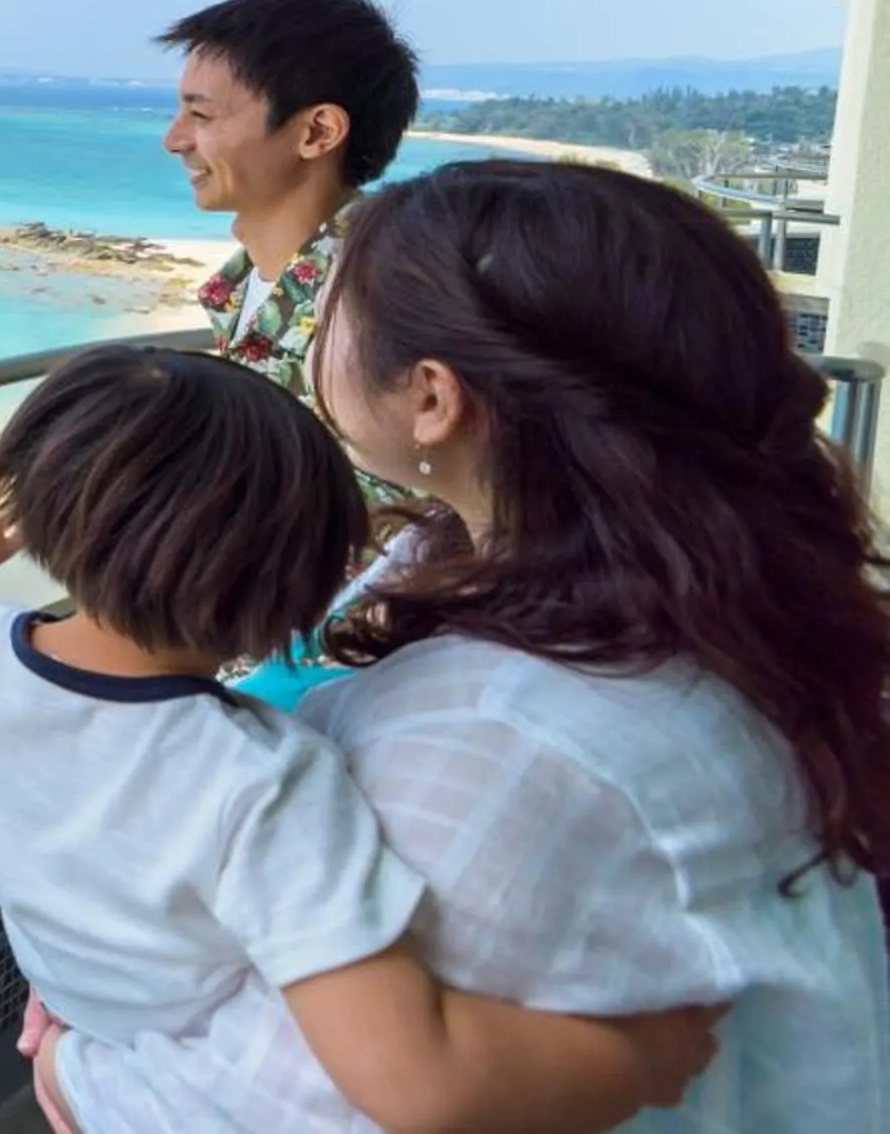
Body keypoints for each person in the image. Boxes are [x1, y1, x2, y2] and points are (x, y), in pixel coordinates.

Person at [44, 161, 890, 1131]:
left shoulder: (512, 743)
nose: (313, 335)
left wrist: (70, 1059)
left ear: (432, 399)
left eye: (334, 313)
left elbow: (281, 1110)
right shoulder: (664, 584)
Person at [0, 344, 717, 1134]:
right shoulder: (257, 782)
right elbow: (412, 1083)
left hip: (81, 1010)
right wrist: (646, 1057)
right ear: (299, 588)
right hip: (176, 1075)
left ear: (48, 504)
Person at [158, 0, 420, 404]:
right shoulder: (245, 283)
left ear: (318, 132)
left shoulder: (372, 309)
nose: (173, 141)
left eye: (201, 114)